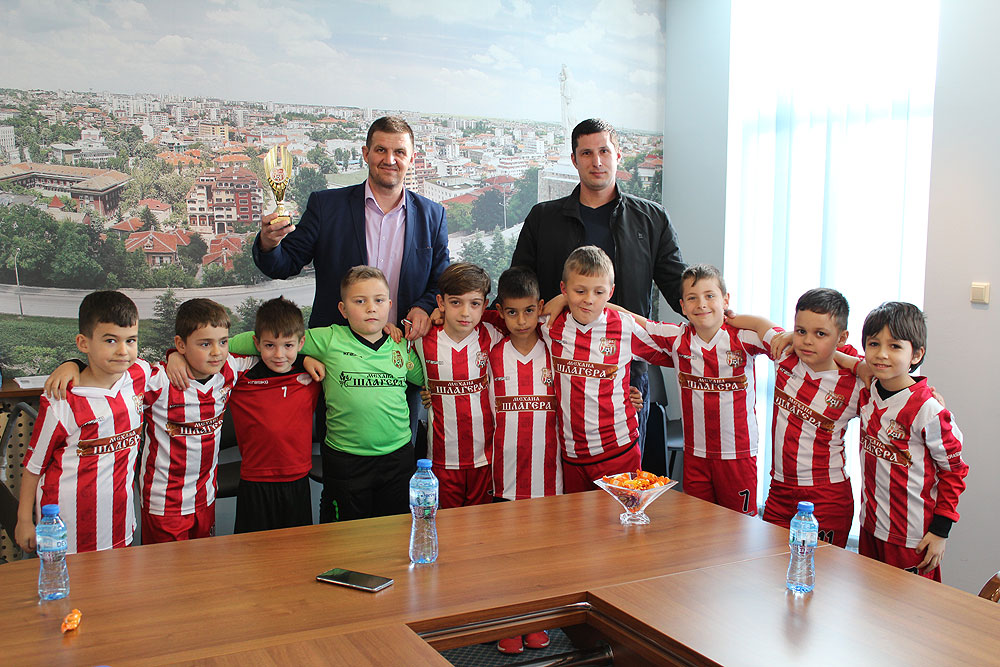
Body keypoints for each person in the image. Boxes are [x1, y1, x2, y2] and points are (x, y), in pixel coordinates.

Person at [510, 118, 686, 452]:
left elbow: (678, 285)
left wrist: (719, 316)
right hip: (557, 367)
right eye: (587, 153)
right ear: (574, 160)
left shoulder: (652, 219)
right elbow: (519, 285)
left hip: (625, 371)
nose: (597, 161)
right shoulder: (542, 218)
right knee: (555, 466)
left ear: (618, 155)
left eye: (604, 151)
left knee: (623, 471)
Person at [230, 267, 423, 523]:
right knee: (343, 535)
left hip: (397, 458)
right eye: (360, 301)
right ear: (343, 309)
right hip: (346, 460)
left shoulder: (400, 345)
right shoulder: (329, 339)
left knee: (393, 530)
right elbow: (263, 341)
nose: (371, 308)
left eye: (378, 301)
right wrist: (303, 357)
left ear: (389, 305)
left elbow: (428, 378)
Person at [252, 115, 450, 338]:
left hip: (402, 346)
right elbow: (284, 265)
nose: (390, 160)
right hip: (335, 348)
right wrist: (268, 244)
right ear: (366, 154)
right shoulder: (326, 206)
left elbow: (441, 282)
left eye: (399, 152)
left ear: (412, 158)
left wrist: (423, 306)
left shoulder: (433, 215)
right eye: (381, 150)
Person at [15, 291, 149, 554]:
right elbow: (33, 467)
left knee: (118, 578)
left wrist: (175, 357)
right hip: (66, 527)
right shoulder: (61, 401)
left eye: (130, 340)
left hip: (119, 520)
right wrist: (24, 521)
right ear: (83, 343)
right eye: (110, 340)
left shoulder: (139, 374)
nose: (123, 351)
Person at [641, 264, 780, 516]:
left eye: (710, 296)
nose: (701, 304)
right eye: (692, 298)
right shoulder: (677, 338)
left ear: (725, 300)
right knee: (698, 524)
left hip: (737, 454)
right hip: (695, 454)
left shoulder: (743, 338)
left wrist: (756, 322)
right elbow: (629, 322)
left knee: (739, 526)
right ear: (683, 306)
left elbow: (784, 341)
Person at [731, 288, 863, 546]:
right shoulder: (784, 354)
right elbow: (758, 324)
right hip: (779, 490)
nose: (807, 341)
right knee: (772, 562)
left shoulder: (857, 384)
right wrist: (723, 315)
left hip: (827, 496)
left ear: (842, 338)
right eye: (801, 331)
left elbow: (893, 384)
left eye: (820, 334)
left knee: (821, 567)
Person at [540, 246, 672, 493]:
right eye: (580, 291)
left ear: (610, 292)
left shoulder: (624, 327)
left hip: (618, 451)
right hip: (571, 456)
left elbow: (678, 347)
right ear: (564, 289)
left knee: (622, 517)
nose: (589, 299)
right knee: (576, 519)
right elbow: (513, 320)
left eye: (598, 292)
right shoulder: (550, 325)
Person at [857, 302, 968, 581]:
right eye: (873, 344)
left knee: (910, 608)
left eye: (895, 346)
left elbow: (954, 472)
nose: (881, 354)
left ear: (916, 354)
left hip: (912, 539)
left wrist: (941, 531)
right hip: (870, 527)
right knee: (869, 602)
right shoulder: (867, 392)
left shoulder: (929, 410)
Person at [141, 299, 258, 542]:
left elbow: (267, 344)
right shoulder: (160, 381)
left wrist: (306, 360)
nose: (217, 352)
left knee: (202, 562)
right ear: (181, 344)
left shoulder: (229, 370)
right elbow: (112, 377)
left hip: (205, 497)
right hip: (164, 504)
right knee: (167, 567)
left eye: (223, 342)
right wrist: (73, 365)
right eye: (205, 344)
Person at [489, 266, 559, 656]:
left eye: (529, 311)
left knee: (542, 554)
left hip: (550, 475)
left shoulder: (554, 350)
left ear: (540, 308)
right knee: (507, 554)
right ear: (500, 312)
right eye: (512, 312)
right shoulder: (492, 355)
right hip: (506, 476)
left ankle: (537, 620)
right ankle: (508, 622)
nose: (521, 320)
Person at [415, 262, 505, 508]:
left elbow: (523, 319)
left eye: (474, 304)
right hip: (441, 459)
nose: (465, 312)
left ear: (484, 306)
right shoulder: (421, 339)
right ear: (441, 302)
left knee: (481, 524)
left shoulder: (493, 334)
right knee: (446, 524)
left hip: (484, 458)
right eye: (456, 302)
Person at [227, 297, 321, 533]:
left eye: (288, 345)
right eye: (270, 345)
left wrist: (304, 358)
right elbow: (209, 351)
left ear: (301, 343)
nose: (279, 354)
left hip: (297, 479)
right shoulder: (241, 375)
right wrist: (175, 356)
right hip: (254, 480)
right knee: (252, 550)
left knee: (296, 548)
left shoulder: (313, 374)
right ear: (256, 343)